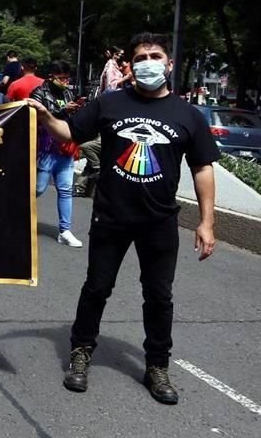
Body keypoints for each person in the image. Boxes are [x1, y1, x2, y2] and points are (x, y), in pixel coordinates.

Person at [27, 32, 219, 405]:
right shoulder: (109, 103)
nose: (149, 61)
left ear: (169, 63)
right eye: (141, 56)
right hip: (111, 217)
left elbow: (202, 169)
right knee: (97, 288)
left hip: (160, 221)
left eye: (155, 55)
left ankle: (157, 366)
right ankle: (81, 353)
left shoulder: (187, 115)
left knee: (159, 296)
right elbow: (72, 132)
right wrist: (48, 117)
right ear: (129, 66)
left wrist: (207, 221)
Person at [30, 62, 85, 247]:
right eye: (61, 78)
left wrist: (78, 110)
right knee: (38, 189)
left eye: (67, 78)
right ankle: (15, 216)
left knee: (65, 190)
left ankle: (65, 230)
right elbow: (34, 116)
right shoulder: (39, 93)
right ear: (51, 76)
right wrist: (62, 111)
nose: (65, 81)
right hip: (46, 149)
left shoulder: (68, 93)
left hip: (66, 149)